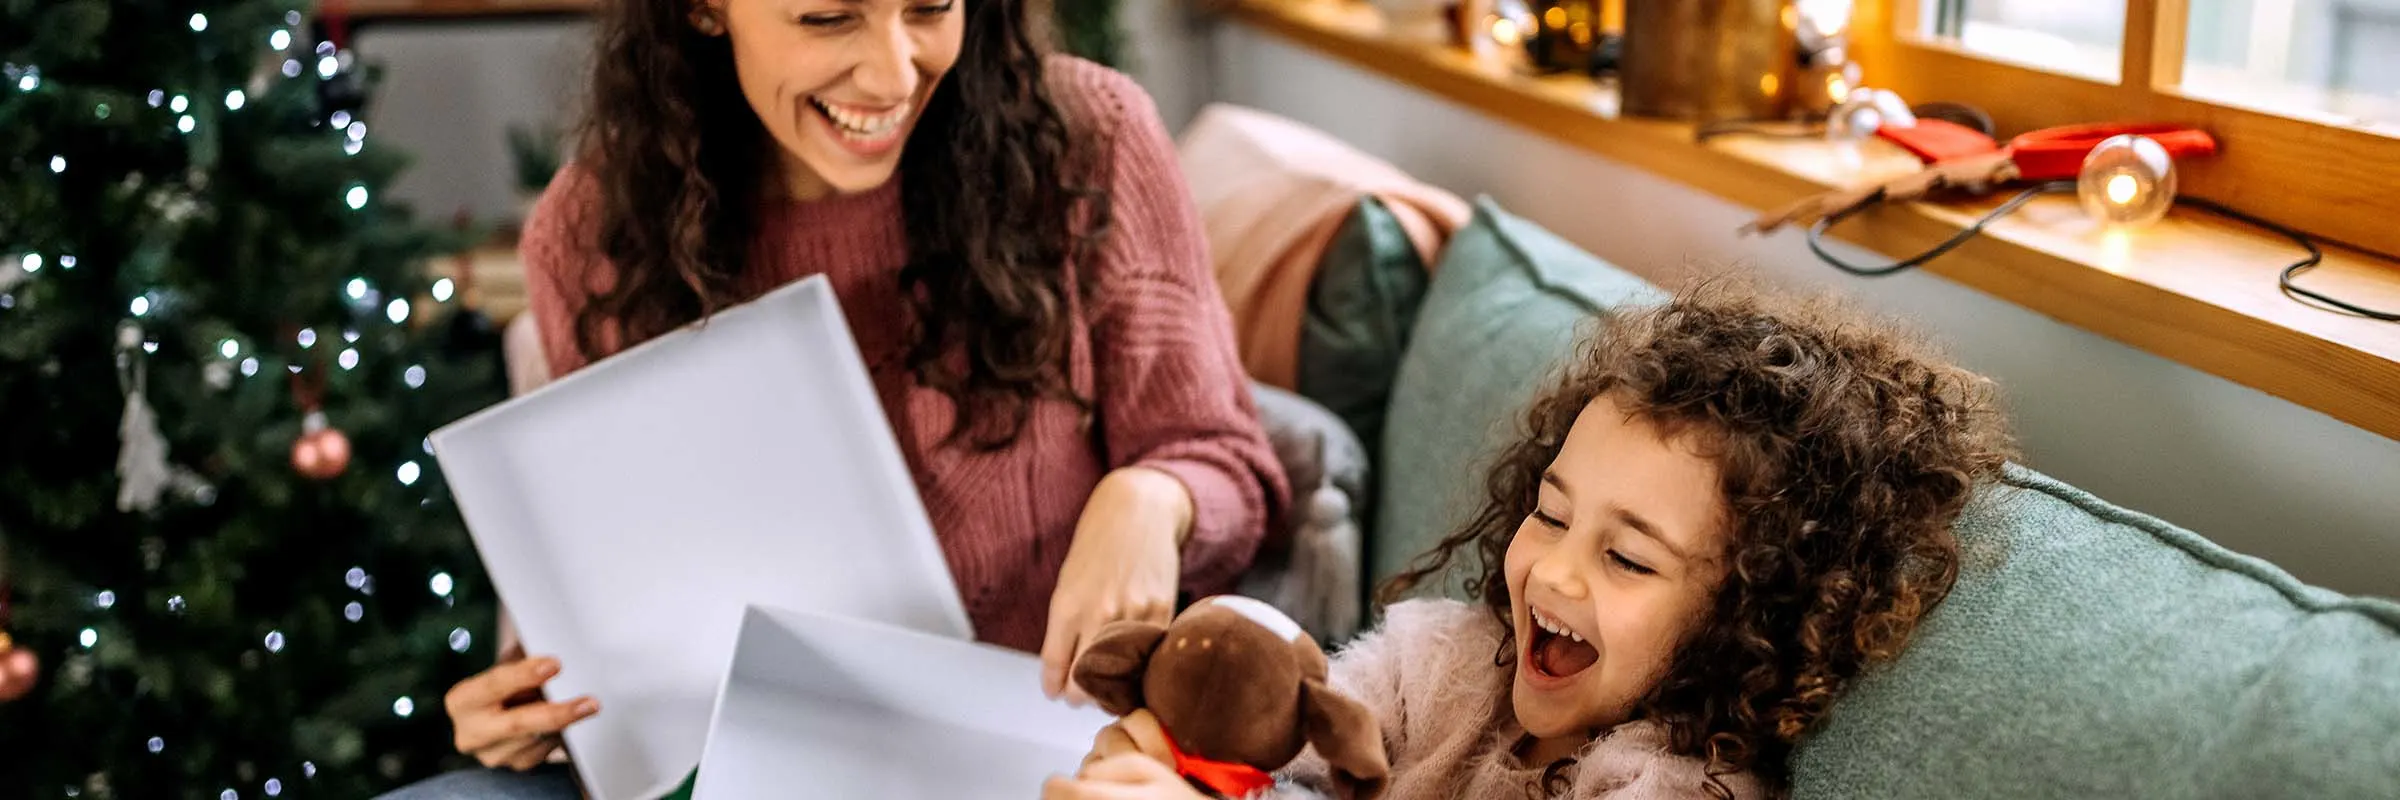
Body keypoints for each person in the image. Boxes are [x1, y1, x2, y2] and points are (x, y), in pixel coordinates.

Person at [383, 0, 1285, 796]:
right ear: (705, 8)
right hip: (754, 766)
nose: (895, 72)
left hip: (1055, 764)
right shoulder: (594, 229)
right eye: (828, 18)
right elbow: (637, 586)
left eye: (930, 7)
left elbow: (1234, 473)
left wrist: (1152, 497)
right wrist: (545, 698)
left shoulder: (1089, 136)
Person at [1046, 284, 2016, 799]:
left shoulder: (1674, 784)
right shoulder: (1440, 664)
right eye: (1552, 513)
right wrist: (1163, 755)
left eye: (1627, 557)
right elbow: (1278, 738)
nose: (1552, 566)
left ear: (1747, 612)